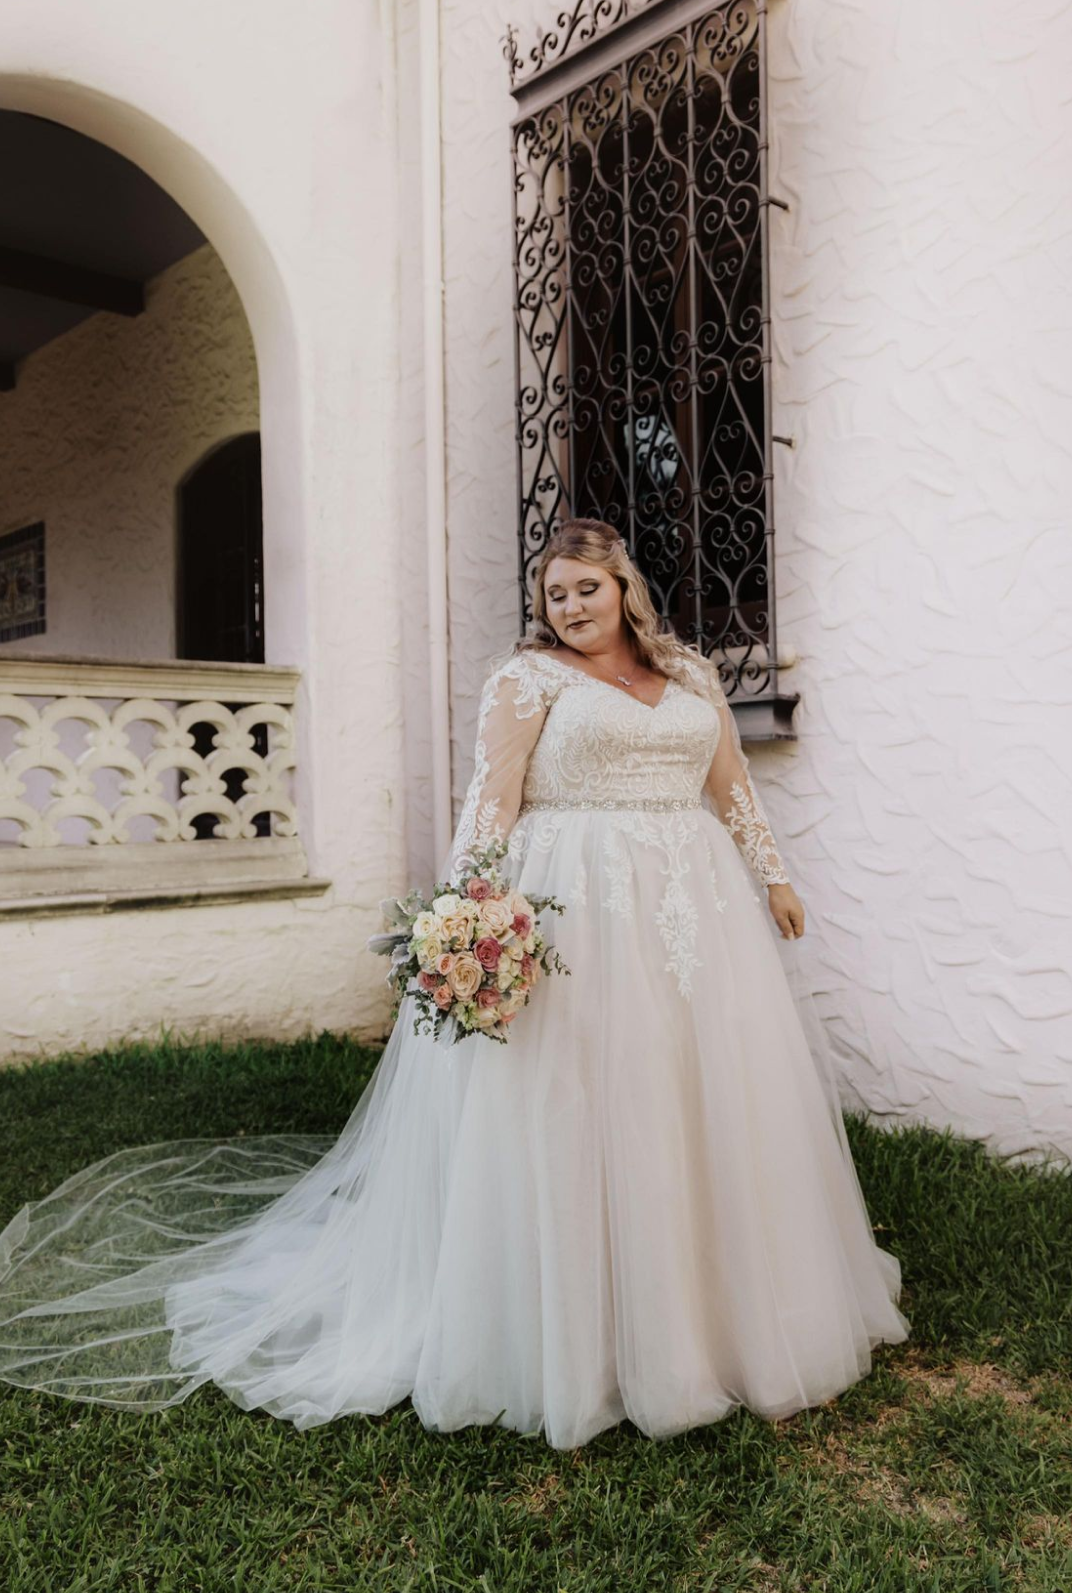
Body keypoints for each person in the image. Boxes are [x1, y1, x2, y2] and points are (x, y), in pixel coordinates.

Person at [0, 518, 909, 1448]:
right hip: (574, 903)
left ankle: (729, 1317)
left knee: (703, 1086)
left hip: (696, 901)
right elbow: (494, 795)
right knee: (586, 1092)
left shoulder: (690, 676)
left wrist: (777, 877)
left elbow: (732, 787)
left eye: (585, 589)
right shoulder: (527, 679)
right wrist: (465, 910)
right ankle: (587, 1333)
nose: (570, 607)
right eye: (554, 595)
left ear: (624, 586)